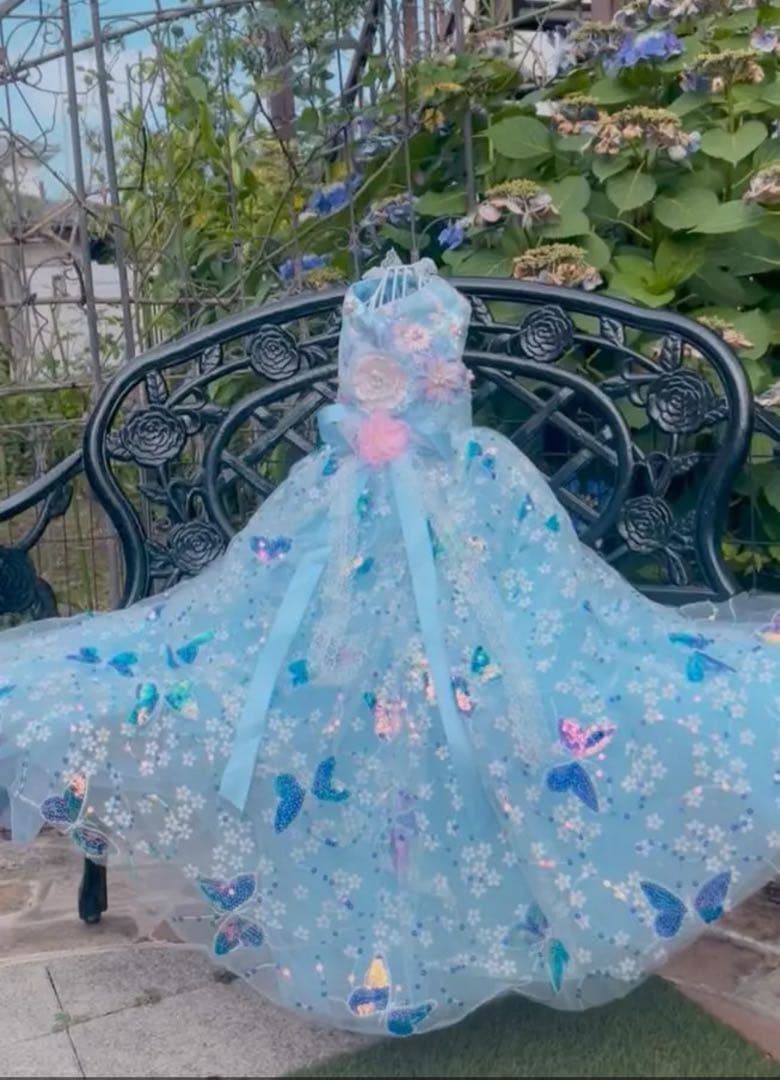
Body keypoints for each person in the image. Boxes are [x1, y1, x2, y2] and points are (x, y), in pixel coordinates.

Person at [0, 255, 777, 1037]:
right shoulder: (327, 481)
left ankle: (469, 933)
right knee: (266, 691)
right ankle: (370, 942)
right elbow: (267, 587)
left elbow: (546, 586)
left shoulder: (484, 476)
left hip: (471, 583)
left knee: (522, 696)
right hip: (345, 592)